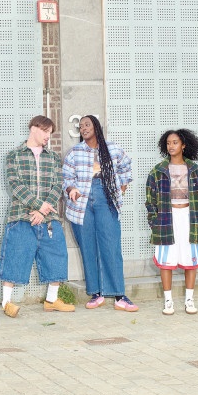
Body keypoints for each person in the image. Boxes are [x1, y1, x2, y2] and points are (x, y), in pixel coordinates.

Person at [0, 115, 75, 317]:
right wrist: (38, 205)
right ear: (33, 129)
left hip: (48, 217)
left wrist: (42, 210)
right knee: (15, 255)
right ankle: (6, 302)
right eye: (45, 131)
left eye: (50, 132)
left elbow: (57, 186)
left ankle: (51, 299)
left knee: (56, 255)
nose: (48, 136)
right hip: (21, 216)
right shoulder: (14, 155)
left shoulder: (53, 157)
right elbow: (15, 186)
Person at [62, 115, 136, 311]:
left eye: (88, 124)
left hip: (105, 195)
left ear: (96, 127)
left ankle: (119, 295)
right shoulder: (75, 152)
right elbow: (66, 177)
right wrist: (71, 190)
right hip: (82, 200)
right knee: (88, 246)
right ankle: (96, 293)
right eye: (81, 126)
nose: (84, 128)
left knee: (110, 244)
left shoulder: (112, 148)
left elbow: (126, 167)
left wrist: (121, 188)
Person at [145, 129, 198, 315]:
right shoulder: (158, 171)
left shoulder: (195, 170)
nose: (171, 146)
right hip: (167, 217)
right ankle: (168, 301)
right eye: (168, 143)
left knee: (190, 259)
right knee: (167, 260)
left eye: (175, 142)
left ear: (183, 145)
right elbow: (150, 200)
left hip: (190, 217)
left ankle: (189, 300)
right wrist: (154, 220)